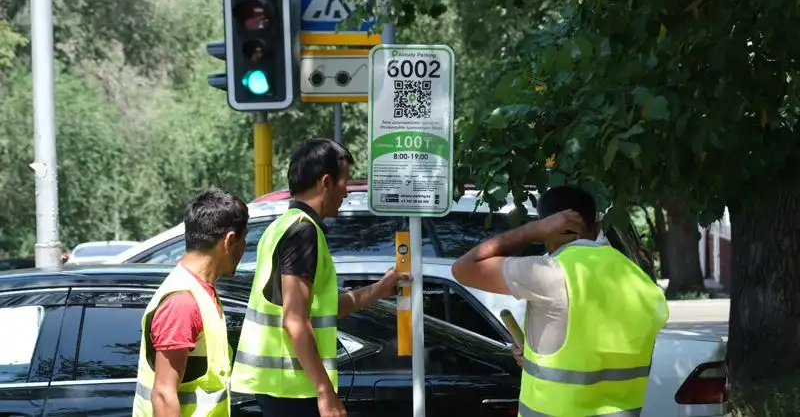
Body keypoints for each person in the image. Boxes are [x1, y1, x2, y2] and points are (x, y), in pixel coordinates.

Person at [451, 185, 669, 416]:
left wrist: (532, 230)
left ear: (547, 226)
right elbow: (599, 360)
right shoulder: (639, 280)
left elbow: (463, 269)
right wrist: (537, 358)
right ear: (596, 227)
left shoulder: (550, 273)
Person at [230, 138, 409, 417]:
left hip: (282, 387)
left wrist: (378, 289)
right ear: (326, 182)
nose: (347, 192)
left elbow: (324, 309)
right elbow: (294, 318)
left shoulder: (281, 226)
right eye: (344, 182)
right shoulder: (303, 232)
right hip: (294, 388)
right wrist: (325, 391)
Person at [132, 187, 250, 417]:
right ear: (229, 240)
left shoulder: (201, 291)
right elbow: (164, 395)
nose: (245, 249)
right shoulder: (182, 303)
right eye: (243, 240)